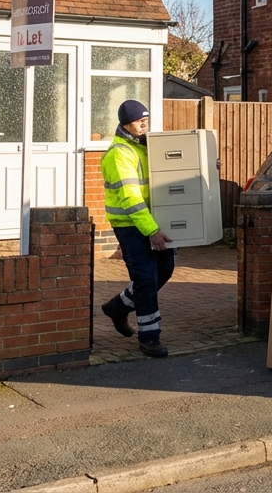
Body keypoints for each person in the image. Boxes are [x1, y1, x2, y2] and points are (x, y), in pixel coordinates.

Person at [98, 101, 173, 357]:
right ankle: (149, 338)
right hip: (132, 226)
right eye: (139, 120)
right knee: (145, 280)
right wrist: (151, 230)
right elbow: (130, 197)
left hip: (151, 222)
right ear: (125, 124)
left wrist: (206, 164)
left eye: (146, 119)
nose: (144, 123)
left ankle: (118, 307)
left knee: (164, 270)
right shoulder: (120, 153)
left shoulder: (141, 147)